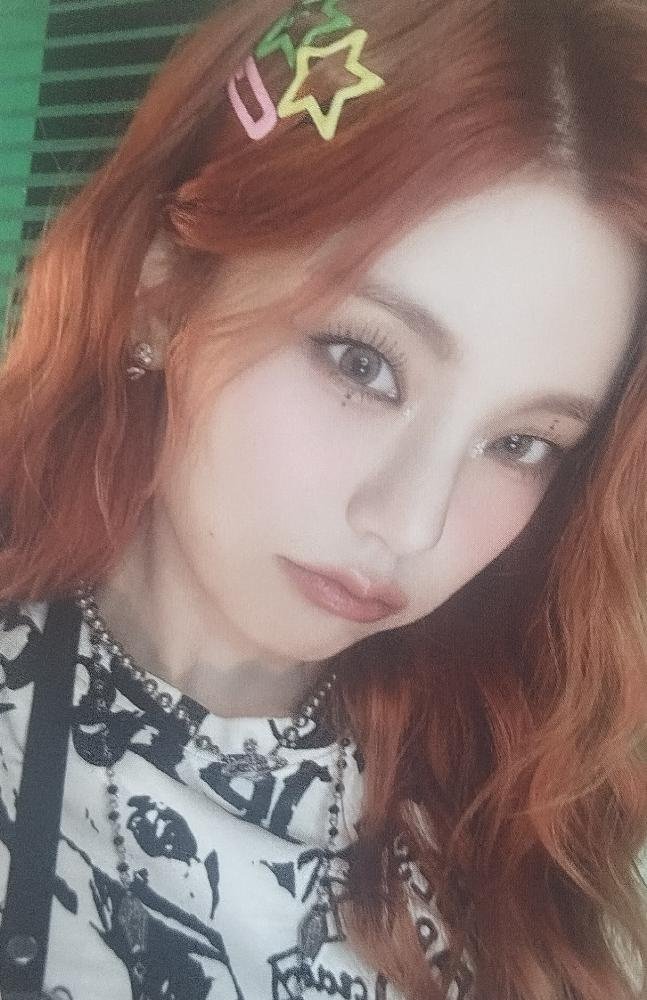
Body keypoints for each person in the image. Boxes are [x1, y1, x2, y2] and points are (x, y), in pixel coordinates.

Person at [0, 0, 645, 997]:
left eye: (520, 443)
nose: (412, 525)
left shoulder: (521, 798)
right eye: (361, 362)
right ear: (158, 293)